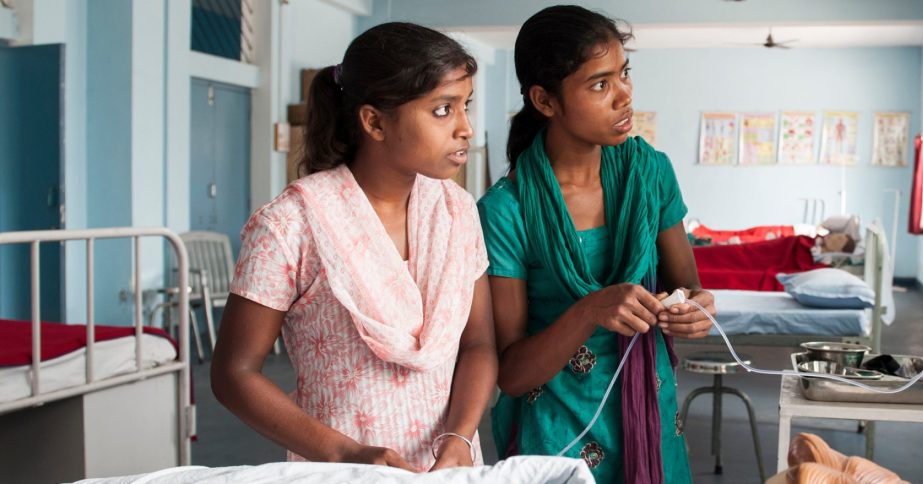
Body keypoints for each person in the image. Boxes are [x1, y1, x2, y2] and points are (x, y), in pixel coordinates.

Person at [211, 22, 496, 472]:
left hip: (451, 467)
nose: (465, 128)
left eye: (466, 106)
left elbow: (479, 343)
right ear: (374, 121)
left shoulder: (457, 212)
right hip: (338, 469)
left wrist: (460, 438)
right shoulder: (291, 223)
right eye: (443, 110)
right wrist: (346, 453)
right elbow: (234, 374)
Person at [477, 5, 717, 483]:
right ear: (545, 101)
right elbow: (512, 372)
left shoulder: (651, 174)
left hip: (650, 418)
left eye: (624, 74)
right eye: (600, 84)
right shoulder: (507, 210)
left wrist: (696, 308)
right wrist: (590, 310)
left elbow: (688, 286)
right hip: (557, 434)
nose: (624, 95)